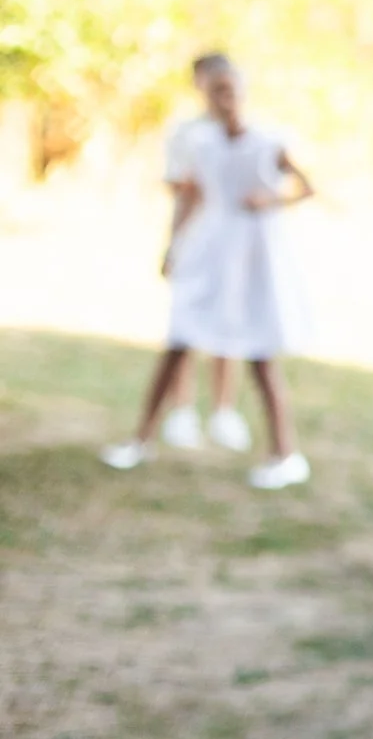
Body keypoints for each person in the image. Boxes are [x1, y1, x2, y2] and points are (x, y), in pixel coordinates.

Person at [103, 55, 316, 489]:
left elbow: (307, 188)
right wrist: (172, 247)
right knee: (180, 338)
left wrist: (270, 202)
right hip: (210, 249)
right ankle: (141, 438)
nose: (225, 99)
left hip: (254, 254)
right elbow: (190, 197)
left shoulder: (269, 140)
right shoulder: (200, 142)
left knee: (259, 354)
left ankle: (285, 452)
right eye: (216, 91)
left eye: (230, 89)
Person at [156, 55, 245, 455]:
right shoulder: (185, 133)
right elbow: (182, 196)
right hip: (197, 239)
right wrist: (172, 245)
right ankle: (182, 410)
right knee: (185, 325)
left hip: (236, 244)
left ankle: (224, 411)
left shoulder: (250, 131)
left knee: (230, 324)